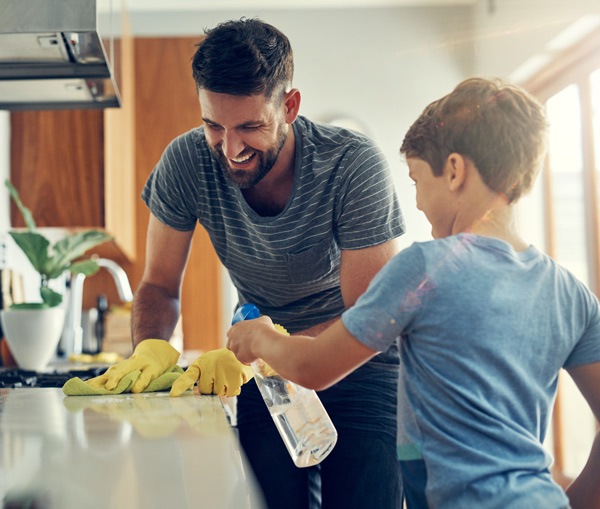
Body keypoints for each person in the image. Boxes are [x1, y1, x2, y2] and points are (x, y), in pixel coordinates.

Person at [226, 76, 600, 509]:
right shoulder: (571, 293)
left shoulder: (425, 270)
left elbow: (314, 368)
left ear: (455, 170)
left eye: (418, 179)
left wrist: (258, 336)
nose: (418, 202)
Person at [86, 17, 405, 509]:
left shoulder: (352, 165)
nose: (230, 149)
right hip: (264, 373)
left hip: (356, 368)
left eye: (250, 127)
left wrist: (274, 345)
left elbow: (370, 319)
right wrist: (150, 350)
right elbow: (159, 285)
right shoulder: (187, 162)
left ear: (290, 106)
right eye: (214, 125)